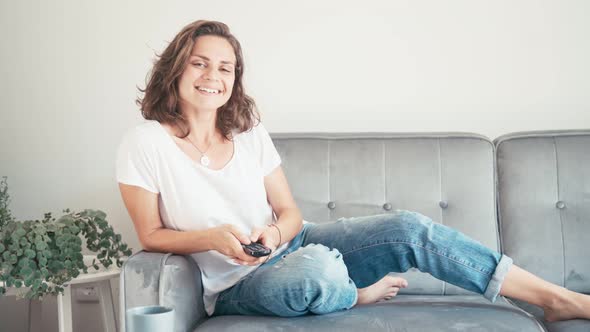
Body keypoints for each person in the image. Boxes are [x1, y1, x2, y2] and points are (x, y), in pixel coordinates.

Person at [116, 19, 590, 321]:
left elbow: (290, 213)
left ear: (235, 79)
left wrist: (276, 235)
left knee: (406, 229)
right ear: (177, 69)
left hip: (292, 246)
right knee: (318, 271)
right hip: (237, 284)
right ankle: (353, 294)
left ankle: (554, 298)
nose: (212, 77)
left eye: (225, 68)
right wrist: (214, 238)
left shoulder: (248, 130)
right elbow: (152, 235)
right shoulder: (145, 143)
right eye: (200, 63)